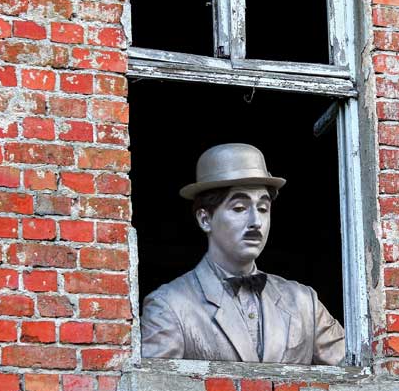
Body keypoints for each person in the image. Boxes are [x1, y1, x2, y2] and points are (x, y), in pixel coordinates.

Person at [140, 143, 345, 365]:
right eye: (239, 208)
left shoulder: (304, 301)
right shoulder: (169, 305)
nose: (255, 222)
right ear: (205, 219)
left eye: (263, 209)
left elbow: (356, 378)